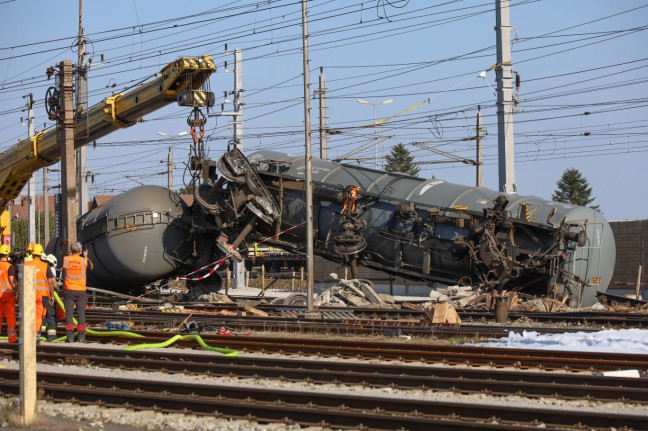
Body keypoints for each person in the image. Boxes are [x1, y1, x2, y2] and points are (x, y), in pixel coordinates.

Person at [23, 244, 56, 341]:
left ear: (32, 253)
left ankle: (28, 334)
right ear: (41, 254)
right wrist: (52, 295)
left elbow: (22, 279)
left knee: (28, 314)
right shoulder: (45, 266)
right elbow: (50, 282)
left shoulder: (26, 264)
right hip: (42, 295)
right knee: (38, 315)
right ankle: (36, 335)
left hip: (28, 294)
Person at [62, 242, 93, 343]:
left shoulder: (66, 259)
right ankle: (81, 337)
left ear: (71, 250)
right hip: (80, 290)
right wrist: (86, 256)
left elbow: (64, 270)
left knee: (69, 314)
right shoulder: (84, 261)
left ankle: (70, 337)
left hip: (69, 289)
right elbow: (91, 267)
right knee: (81, 314)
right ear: (80, 250)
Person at [0, 244, 18, 343]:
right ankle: (12, 338)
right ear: (7, 255)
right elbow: (12, 280)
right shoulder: (9, 266)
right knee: (10, 317)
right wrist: (17, 290)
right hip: (7, 295)